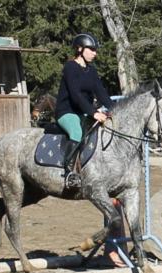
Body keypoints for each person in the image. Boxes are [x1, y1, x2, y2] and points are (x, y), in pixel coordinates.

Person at [55, 33, 113, 188]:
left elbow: (101, 92)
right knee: (77, 132)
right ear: (80, 49)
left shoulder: (91, 71)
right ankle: (69, 174)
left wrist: (114, 109)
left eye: (95, 50)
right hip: (67, 111)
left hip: (84, 112)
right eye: (92, 49)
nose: (95, 53)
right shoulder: (70, 67)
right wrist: (94, 113)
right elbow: (75, 95)